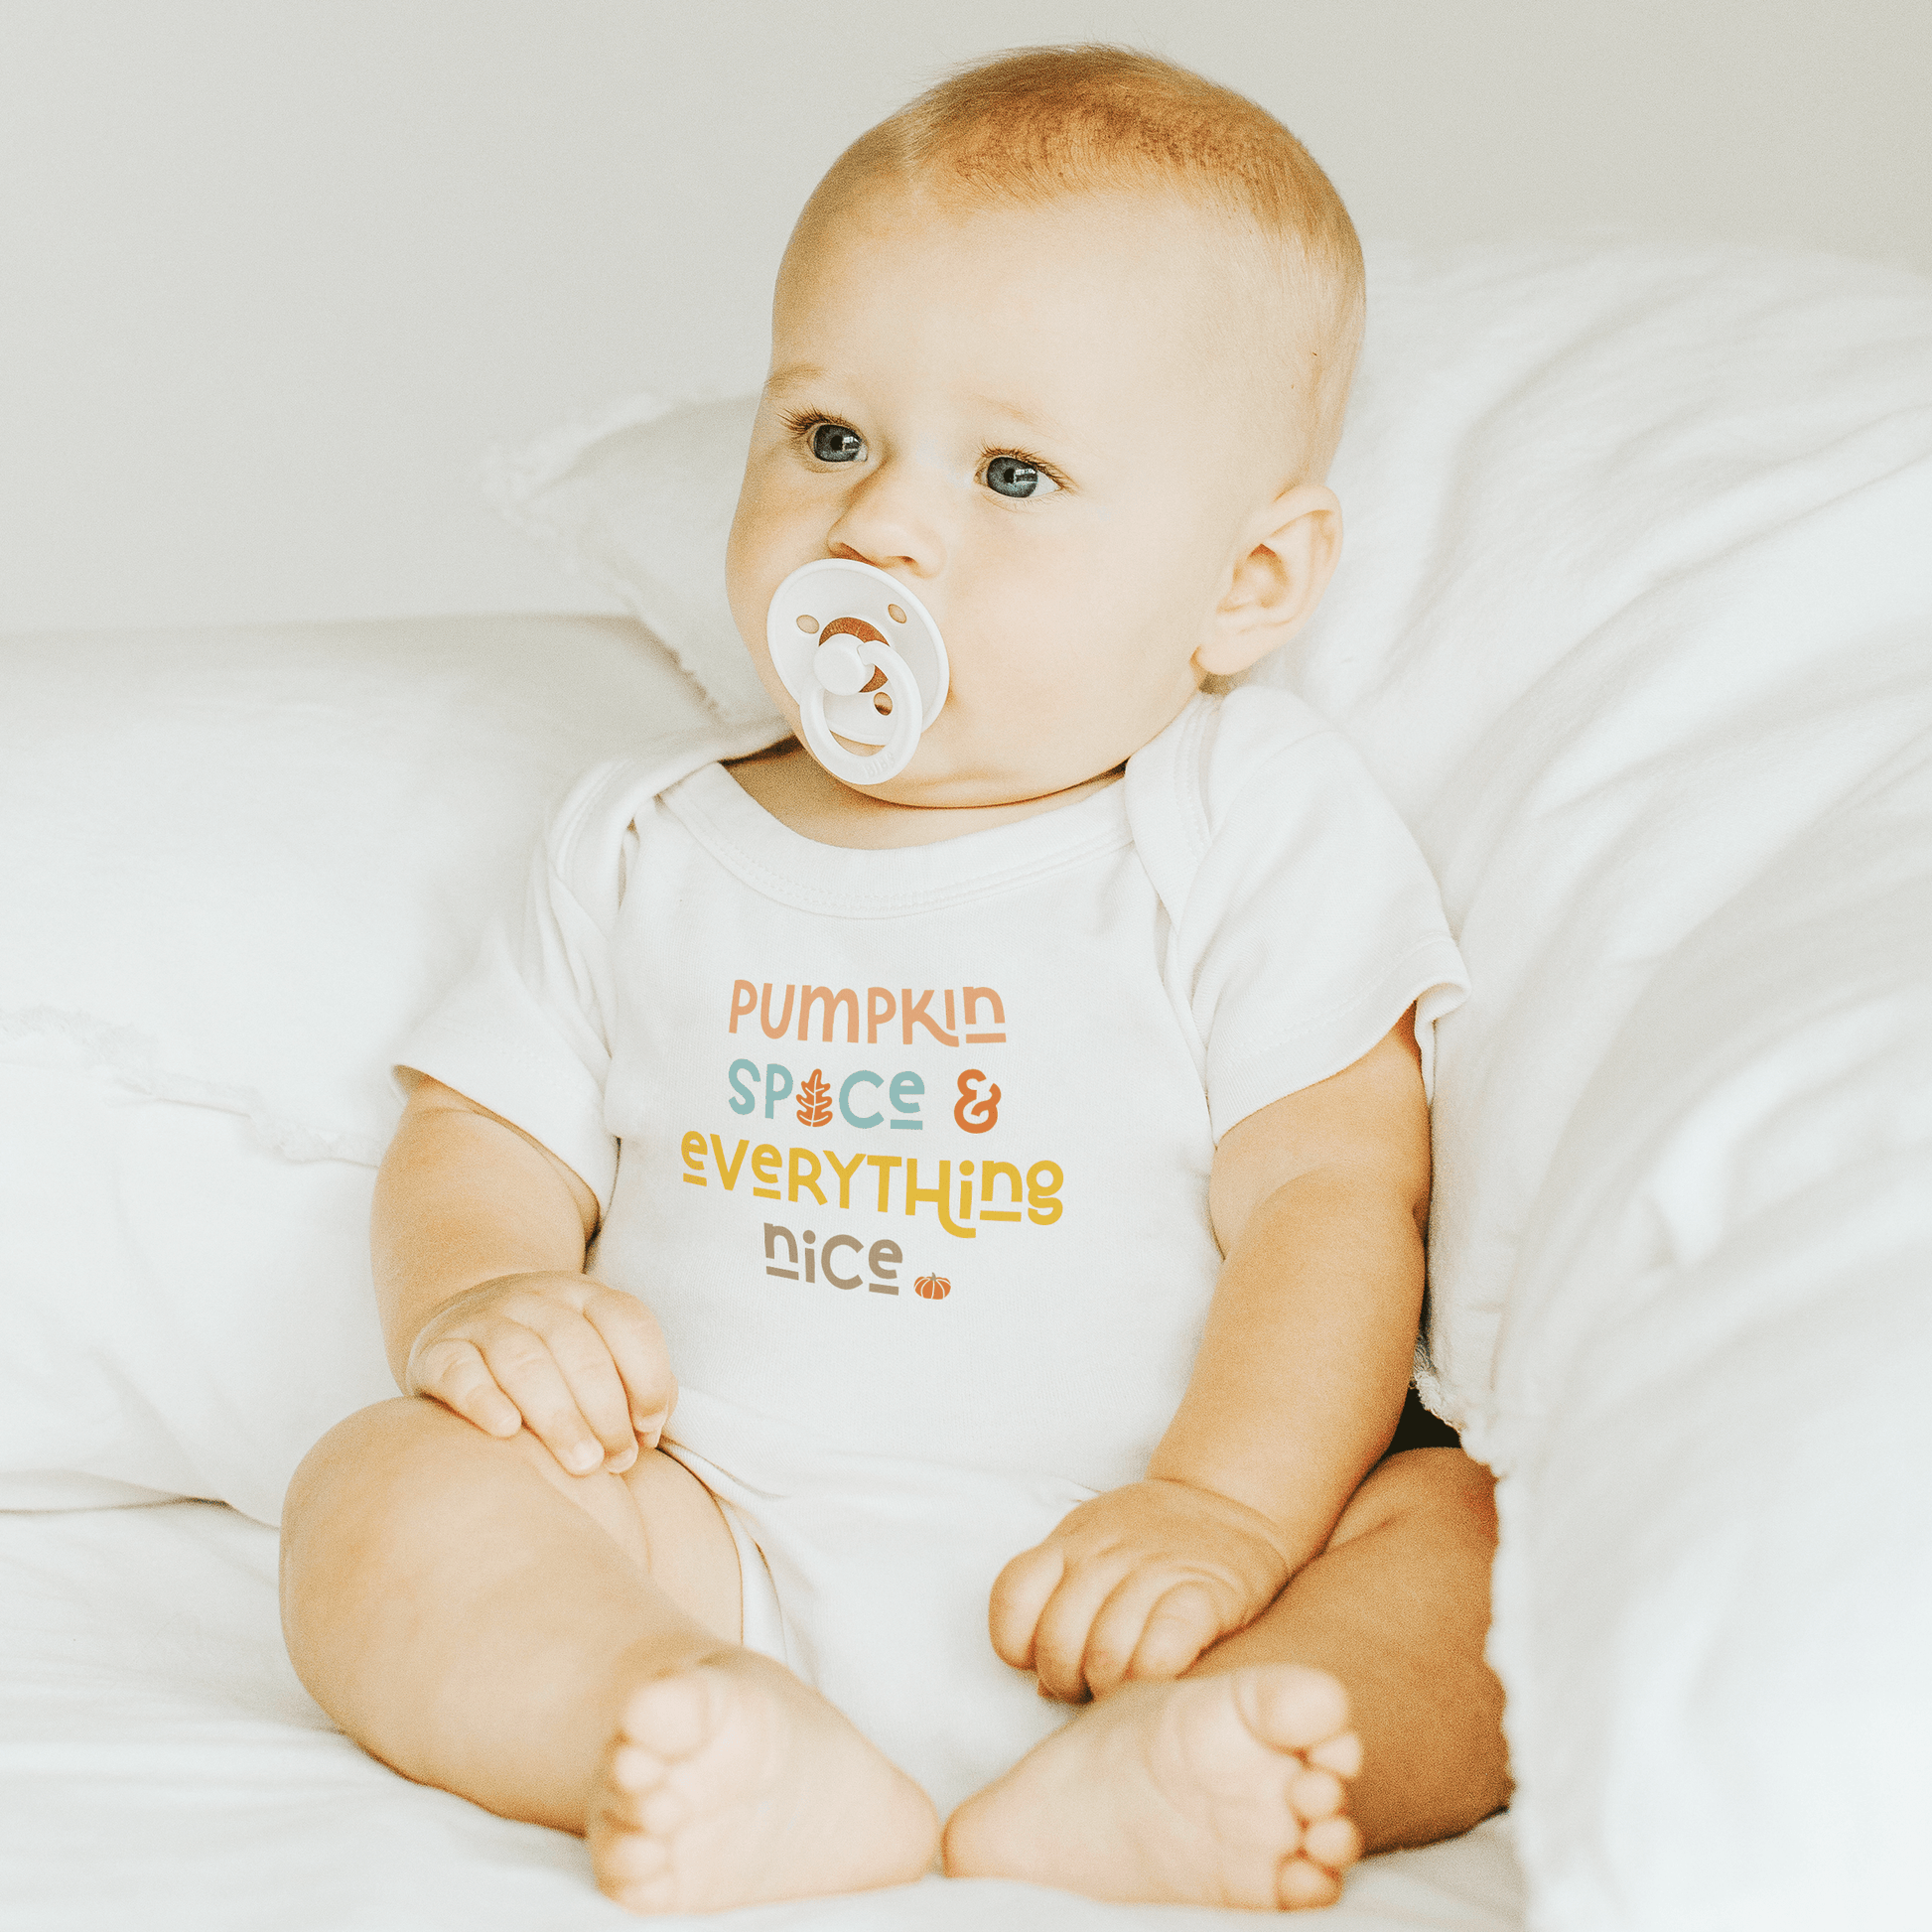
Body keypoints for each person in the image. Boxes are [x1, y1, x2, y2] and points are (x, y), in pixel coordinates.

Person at [279, 45, 1510, 1915]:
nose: (876, 528)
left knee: (1475, 1537)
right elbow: (480, 1128)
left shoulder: (1239, 819)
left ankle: (1174, 1763)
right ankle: (671, 1721)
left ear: (1248, 580)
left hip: (1171, 1565)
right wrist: (485, 1294)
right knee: (378, 1490)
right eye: (828, 437)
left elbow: (1333, 1201)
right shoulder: (647, 838)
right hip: (704, 1539)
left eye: (1012, 473)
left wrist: (1223, 1513)